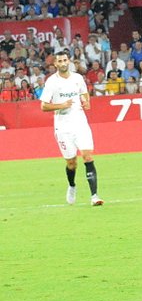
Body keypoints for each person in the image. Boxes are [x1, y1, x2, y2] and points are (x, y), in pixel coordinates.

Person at [39, 50, 103, 206]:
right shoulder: (51, 82)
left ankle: (94, 196)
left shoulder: (78, 78)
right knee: (71, 163)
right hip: (62, 125)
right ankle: (72, 185)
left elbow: (84, 93)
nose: (62, 63)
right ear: (55, 64)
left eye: (65, 60)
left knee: (87, 156)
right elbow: (44, 106)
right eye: (59, 61)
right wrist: (62, 105)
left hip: (80, 122)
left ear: (69, 61)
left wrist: (87, 102)